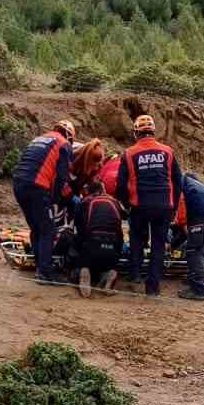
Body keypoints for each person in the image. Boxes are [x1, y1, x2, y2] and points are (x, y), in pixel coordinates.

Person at [115, 113, 183, 297]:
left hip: (139, 206)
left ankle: (135, 276)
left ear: (136, 133)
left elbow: (120, 185)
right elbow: (178, 180)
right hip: (163, 206)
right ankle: (152, 287)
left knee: (136, 240)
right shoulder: (168, 151)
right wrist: (173, 205)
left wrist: (127, 205)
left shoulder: (128, 153)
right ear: (153, 131)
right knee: (158, 246)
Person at [11, 119, 76, 284]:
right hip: (37, 187)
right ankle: (45, 273)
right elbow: (61, 177)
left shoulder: (39, 139)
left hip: (19, 184)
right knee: (48, 230)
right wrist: (58, 199)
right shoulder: (63, 144)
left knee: (36, 227)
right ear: (69, 135)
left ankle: (40, 265)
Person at [172, 172, 204, 301]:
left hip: (203, 211)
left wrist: (172, 246)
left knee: (194, 250)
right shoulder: (191, 184)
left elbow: (183, 220)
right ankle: (197, 274)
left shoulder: (177, 184)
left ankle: (198, 290)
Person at [70, 179, 124, 296]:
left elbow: (79, 228)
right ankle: (110, 271)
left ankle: (84, 269)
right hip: (113, 247)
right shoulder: (114, 201)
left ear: (88, 191)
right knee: (109, 261)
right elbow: (122, 220)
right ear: (102, 189)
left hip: (92, 244)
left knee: (78, 248)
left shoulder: (85, 202)